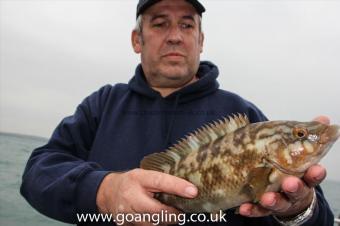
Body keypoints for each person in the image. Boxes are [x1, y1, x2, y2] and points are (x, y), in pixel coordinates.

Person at [20, 0, 334, 225]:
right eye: (159, 23)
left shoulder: (242, 113)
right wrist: (103, 190)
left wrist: (298, 210)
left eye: (187, 24)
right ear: (136, 40)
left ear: (201, 40)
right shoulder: (103, 104)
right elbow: (38, 173)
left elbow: (317, 217)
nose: (175, 36)